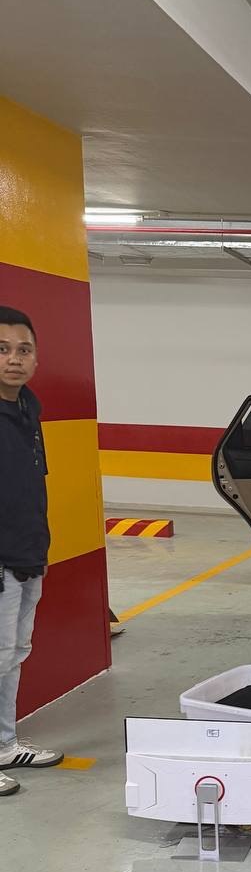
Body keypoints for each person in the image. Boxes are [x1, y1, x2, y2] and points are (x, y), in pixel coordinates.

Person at [0, 306, 63, 797]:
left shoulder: (28, 411)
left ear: (37, 358)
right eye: (2, 350)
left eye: (23, 350)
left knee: (13, 655)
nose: (13, 359)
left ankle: (4, 744)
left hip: (26, 555)